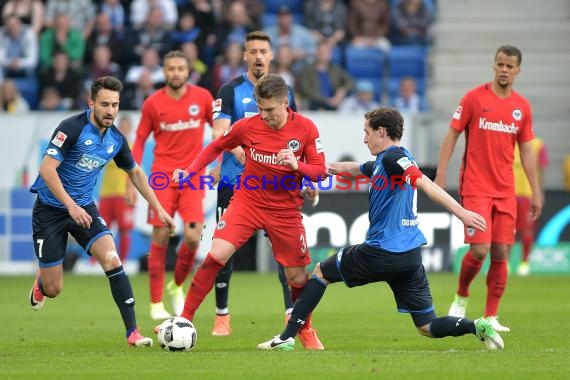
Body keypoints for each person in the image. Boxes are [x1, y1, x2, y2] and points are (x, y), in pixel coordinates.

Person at [257, 106, 504, 351]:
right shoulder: (388, 160)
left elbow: (425, 183)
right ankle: (476, 326)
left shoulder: (393, 159)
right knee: (427, 326)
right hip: (409, 257)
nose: (364, 139)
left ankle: (287, 337)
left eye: (367, 132)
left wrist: (462, 214)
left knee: (321, 272)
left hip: (381, 251)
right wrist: (304, 166)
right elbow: (350, 168)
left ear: (381, 131)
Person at [172, 73, 326, 350]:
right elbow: (216, 146)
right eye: (260, 108)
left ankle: (306, 329)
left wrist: (297, 166)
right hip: (248, 202)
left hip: (285, 210)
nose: (264, 115)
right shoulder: (247, 126)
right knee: (215, 256)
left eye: (269, 109)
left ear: (285, 103)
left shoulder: (306, 128)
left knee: (297, 278)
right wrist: (190, 171)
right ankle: (184, 320)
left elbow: (320, 170)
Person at [28, 76, 175, 347]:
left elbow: (136, 174)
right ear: (91, 103)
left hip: (84, 208)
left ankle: (132, 331)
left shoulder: (116, 140)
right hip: (50, 211)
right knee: (54, 288)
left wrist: (159, 209)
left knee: (112, 258)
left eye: (115, 105)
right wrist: (69, 205)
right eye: (105, 104)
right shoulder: (70, 127)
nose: (110, 111)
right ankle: (42, 283)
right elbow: (46, 169)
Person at [209, 31, 318, 344]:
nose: (258, 56)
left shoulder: (284, 92)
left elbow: (297, 139)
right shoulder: (230, 90)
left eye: (263, 51)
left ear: (271, 56)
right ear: (244, 55)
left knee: (286, 257)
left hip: (277, 188)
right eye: (252, 51)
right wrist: (241, 151)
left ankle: (290, 316)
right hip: (235, 184)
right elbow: (220, 131)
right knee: (222, 252)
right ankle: (222, 315)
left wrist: (306, 178)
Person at [434, 45, 543, 332]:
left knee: (501, 253)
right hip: (476, 186)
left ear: (518, 70)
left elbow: (528, 151)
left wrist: (535, 191)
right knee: (480, 249)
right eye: (500, 65)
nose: (504, 70)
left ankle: (491, 316)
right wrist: (441, 175)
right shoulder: (474, 98)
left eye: (510, 66)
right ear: (493, 66)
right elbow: (452, 134)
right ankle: (461, 295)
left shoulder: (522, 107)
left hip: (506, 189)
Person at [127, 50, 214, 320]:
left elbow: (220, 132)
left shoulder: (202, 98)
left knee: (191, 237)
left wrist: (219, 160)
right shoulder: (153, 103)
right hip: (162, 177)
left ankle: (176, 285)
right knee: (161, 236)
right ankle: (155, 303)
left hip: (192, 176)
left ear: (188, 71)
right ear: (163, 72)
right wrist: (132, 178)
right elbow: (140, 140)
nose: (176, 72)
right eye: (171, 69)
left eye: (180, 68)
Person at [98, 115, 135, 262]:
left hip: (123, 194)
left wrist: (131, 191)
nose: (124, 129)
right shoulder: (108, 146)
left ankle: (123, 261)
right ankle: (98, 261)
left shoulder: (132, 147)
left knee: (124, 229)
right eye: (122, 126)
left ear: (130, 128)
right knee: (101, 230)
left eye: (127, 126)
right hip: (106, 193)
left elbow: (135, 173)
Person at [514, 137, 549, 276]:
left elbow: (542, 170)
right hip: (507, 193)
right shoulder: (507, 139)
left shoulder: (538, 144)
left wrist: (539, 192)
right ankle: (504, 264)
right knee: (506, 230)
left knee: (527, 230)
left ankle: (525, 262)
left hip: (528, 194)